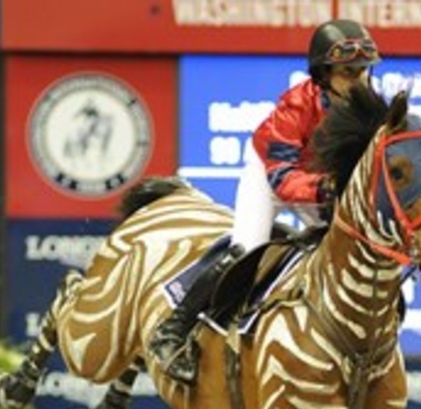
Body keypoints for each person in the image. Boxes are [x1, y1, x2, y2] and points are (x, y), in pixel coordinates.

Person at [149, 19, 381, 384]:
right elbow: (282, 180)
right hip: (271, 177)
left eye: (363, 72)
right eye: (348, 72)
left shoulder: (369, 107)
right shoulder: (294, 107)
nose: (359, 80)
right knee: (246, 250)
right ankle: (172, 332)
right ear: (323, 74)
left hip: (322, 183)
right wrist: (326, 189)